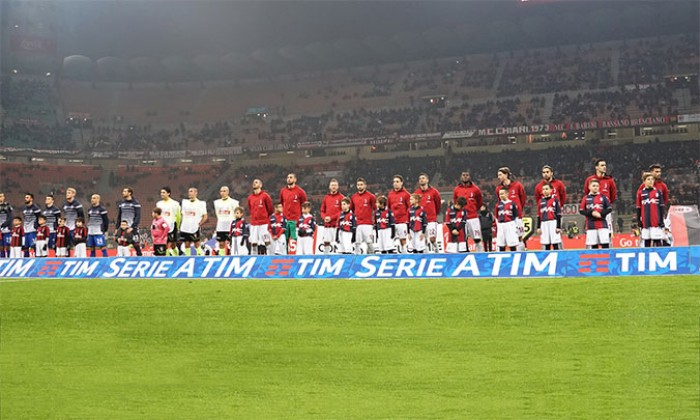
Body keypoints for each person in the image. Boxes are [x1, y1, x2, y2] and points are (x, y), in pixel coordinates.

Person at [583, 159, 617, 243]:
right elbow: (586, 193)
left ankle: (609, 252)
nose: (604, 167)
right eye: (602, 165)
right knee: (592, 236)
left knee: (608, 233)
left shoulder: (609, 180)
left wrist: (605, 206)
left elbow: (613, 196)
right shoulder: (589, 179)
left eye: (605, 165)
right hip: (592, 211)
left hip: (605, 212)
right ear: (596, 167)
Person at [496, 167, 526, 250]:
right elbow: (500, 202)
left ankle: (521, 256)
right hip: (505, 219)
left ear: (506, 175)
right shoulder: (498, 188)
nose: (498, 177)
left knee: (519, 237)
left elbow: (523, 199)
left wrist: (518, 209)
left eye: (500, 175)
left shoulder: (517, 185)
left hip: (517, 217)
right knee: (505, 239)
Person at [453, 171, 484, 251]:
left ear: (470, 177)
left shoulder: (476, 189)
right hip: (462, 219)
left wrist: (473, 210)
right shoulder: (457, 190)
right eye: (463, 175)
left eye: (467, 175)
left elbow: (479, 202)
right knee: (463, 240)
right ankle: (465, 255)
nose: (465, 176)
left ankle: (480, 256)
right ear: (461, 177)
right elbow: (455, 203)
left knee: (477, 239)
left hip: (473, 218)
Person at [636, 172, 667, 248]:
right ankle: (647, 259)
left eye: (652, 179)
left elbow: (661, 207)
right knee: (647, 242)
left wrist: (661, 220)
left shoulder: (658, 192)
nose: (651, 181)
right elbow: (638, 208)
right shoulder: (640, 193)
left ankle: (660, 256)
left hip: (656, 222)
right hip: (645, 223)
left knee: (657, 241)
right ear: (644, 181)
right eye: (648, 179)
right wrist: (638, 221)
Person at [579, 179, 612, 249]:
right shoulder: (585, 198)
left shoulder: (603, 197)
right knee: (594, 246)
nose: (596, 187)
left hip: (602, 225)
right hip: (591, 225)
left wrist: (601, 214)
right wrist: (592, 213)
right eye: (593, 186)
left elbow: (609, 209)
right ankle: (596, 259)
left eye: (597, 186)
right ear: (589, 187)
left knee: (605, 245)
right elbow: (581, 210)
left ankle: (606, 259)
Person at [413, 173, 442, 252]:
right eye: (420, 179)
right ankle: (426, 255)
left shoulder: (434, 192)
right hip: (420, 221)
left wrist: (434, 214)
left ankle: (436, 250)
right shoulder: (416, 193)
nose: (421, 180)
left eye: (423, 178)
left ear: (427, 180)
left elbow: (438, 204)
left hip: (431, 220)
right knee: (422, 240)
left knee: (432, 239)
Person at [279, 173, 307, 253]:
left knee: (296, 239)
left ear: (295, 179)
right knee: (285, 240)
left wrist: (302, 219)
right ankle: (285, 256)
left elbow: (304, 205)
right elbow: (281, 203)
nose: (289, 179)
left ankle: (298, 256)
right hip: (285, 220)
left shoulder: (300, 192)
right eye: (288, 177)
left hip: (296, 220)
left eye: (291, 177)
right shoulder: (283, 191)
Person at [247, 179, 273, 255]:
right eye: (253, 182)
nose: (254, 183)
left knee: (266, 241)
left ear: (261, 185)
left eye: (256, 182)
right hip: (254, 223)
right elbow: (250, 209)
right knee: (253, 243)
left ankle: (269, 256)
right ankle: (254, 257)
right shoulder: (250, 197)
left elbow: (270, 209)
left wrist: (265, 217)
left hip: (264, 223)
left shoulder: (265, 196)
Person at [351, 177, 376, 254]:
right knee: (357, 243)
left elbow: (375, 209)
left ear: (365, 185)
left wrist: (374, 221)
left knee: (369, 243)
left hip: (367, 224)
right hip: (357, 224)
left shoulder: (371, 196)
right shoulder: (353, 197)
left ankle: (372, 257)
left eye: (361, 185)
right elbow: (351, 210)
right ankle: (357, 258)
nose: (360, 186)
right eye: (358, 185)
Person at [180, 187, 208, 256]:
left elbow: (205, 216)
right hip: (185, 228)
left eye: (191, 191)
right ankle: (187, 258)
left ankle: (201, 256)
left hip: (195, 228)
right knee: (186, 244)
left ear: (196, 193)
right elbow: (182, 214)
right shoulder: (185, 202)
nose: (189, 193)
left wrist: (199, 224)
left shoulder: (201, 204)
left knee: (196, 244)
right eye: (189, 191)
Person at [320, 178, 344, 254]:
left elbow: (342, 211)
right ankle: (326, 256)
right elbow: (322, 210)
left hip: (337, 225)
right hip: (327, 225)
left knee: (339, 242)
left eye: (335, 185)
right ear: (329, 187)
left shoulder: (341, 197)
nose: (333, 187)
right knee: (326, 242)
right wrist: (324, 218)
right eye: (332, 185)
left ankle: (340, 256)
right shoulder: (326, 197)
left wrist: (331, 218)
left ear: (338, 187)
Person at [387, 175, 411, 253]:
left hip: (402, 222)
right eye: (394, 182)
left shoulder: (406, 194)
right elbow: (388, 208)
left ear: (401, 183)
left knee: (403, 240)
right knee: (391, 240)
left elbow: (409, 208)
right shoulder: (390, 195)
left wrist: (407, 220)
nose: (395, 183)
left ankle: (404, 253)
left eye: (397, 182)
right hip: (392, 223)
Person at [117, 187, 143, 256]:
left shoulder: (136, 203)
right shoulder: (121, 204)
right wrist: (117, 228)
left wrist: (132, 227)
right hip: (123, 229)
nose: (123, 193)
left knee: (136, 245)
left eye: (125, 191)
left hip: (132, 228)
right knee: (121, 246)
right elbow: (119, 216)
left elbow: (138, 216)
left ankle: (140, 259)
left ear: (129, 193)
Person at [536, 183, 563, 250]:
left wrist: (558, 226)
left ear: (551, 190)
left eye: (547, 189)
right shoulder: (540, 201)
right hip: (544, 223)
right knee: (546, 243)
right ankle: (548, 257)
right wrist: (538, 227)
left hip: (553, 222)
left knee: (555, 243)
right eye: (543, 189)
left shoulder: (555, 200)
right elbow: (539, 215)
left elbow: (558, 214)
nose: (545, 191)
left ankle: (557, 257)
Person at [156, 186, 181, 256]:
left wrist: (178, 226)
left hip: (172, 225)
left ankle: (176, 256)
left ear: (168, 193)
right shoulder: (159, 204)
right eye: (161, 192)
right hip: (162, 227)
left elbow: (178, 216)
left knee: (173, 245)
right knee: (165, 244)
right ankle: (167, 258)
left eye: (163, 192)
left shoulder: (175, 204)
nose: (162, 194)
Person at [214, 185, 239, 256]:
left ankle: (232, 255)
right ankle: (222, 257)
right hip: (221, 226)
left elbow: (236, 214)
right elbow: (217, 214)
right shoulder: (216, 202)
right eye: (221, 191)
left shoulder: (234, 202)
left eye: (224, 191)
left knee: (232, 243)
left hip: (230, 226)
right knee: (221, 243)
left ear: (228, 192)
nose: (222, 193)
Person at [62, 187, 85, 256]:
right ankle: (67, 258)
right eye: (66, 193)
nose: (67, 194)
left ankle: (77, 257)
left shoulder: (77, 204)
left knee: (76, 244)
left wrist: (80, 226)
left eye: (69, 193)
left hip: (74, 228)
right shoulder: (64, 204)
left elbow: (81, 216)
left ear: (73, 194)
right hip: (66, 227)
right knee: (66, 245)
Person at [20, 193, 41, 257]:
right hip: (25, 230)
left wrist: (36, 226)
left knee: (33, 246)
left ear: (31, 199)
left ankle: (36, 259)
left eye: (27, 197)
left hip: (33, 230)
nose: (25, 199)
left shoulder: (36, 208)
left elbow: (39, 218)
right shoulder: (24, 208)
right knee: (25, 247)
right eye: (25, 197)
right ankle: (25, 259)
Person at [0, 193, 14, 258]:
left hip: (7, 230)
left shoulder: (8, 206)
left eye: (1, 196)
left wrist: (3, 225)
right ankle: (1, 260)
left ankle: (9, 259)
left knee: (7, 246)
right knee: (1, 247)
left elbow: (11, 217)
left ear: (3, 197)